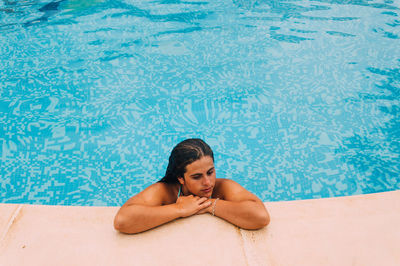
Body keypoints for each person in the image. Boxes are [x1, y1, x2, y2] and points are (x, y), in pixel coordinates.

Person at [114, 138, 270, 234]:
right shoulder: (165, 192)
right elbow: (123, 221)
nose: (208, 182)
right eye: (197, 177)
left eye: (210, 172)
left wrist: (207, 205)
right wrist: (179, 209)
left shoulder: (223, 187)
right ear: (181, 178)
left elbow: (261, 217)